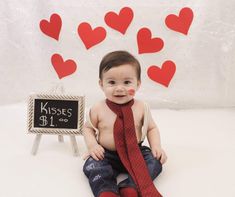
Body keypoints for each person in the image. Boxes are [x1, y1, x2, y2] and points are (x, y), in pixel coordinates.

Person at [83, 50, 167, 197]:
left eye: (127, 82)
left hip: (135, 152)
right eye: (112, 82)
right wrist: (92, 146)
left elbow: (151, 128)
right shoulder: (98, 108)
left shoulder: (141, 107)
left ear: (138, 84)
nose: (119, 88)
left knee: (155, 161)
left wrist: (156, 147)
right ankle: (107, 190)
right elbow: (88, 128)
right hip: (107, 154)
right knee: (93, 166)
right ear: (101, 84)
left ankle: (130, 186)